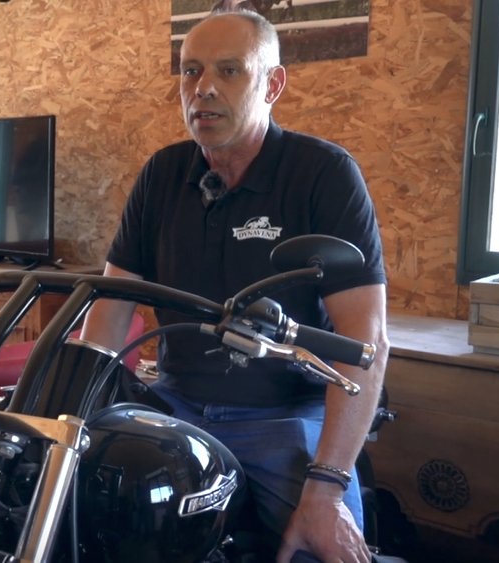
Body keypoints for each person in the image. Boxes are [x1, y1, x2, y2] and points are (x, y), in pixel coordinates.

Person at [80, 9, 389, 563]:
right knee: (82, 518)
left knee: (322, 550)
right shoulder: (162, 175)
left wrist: (325, 489)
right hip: (174, 406)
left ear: (272, 84)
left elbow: (366, 343)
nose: (203, 88)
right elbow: (109, 313)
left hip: (285, 417)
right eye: (191, 71)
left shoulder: (323, 175)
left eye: (229, 70)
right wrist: (69, 421)